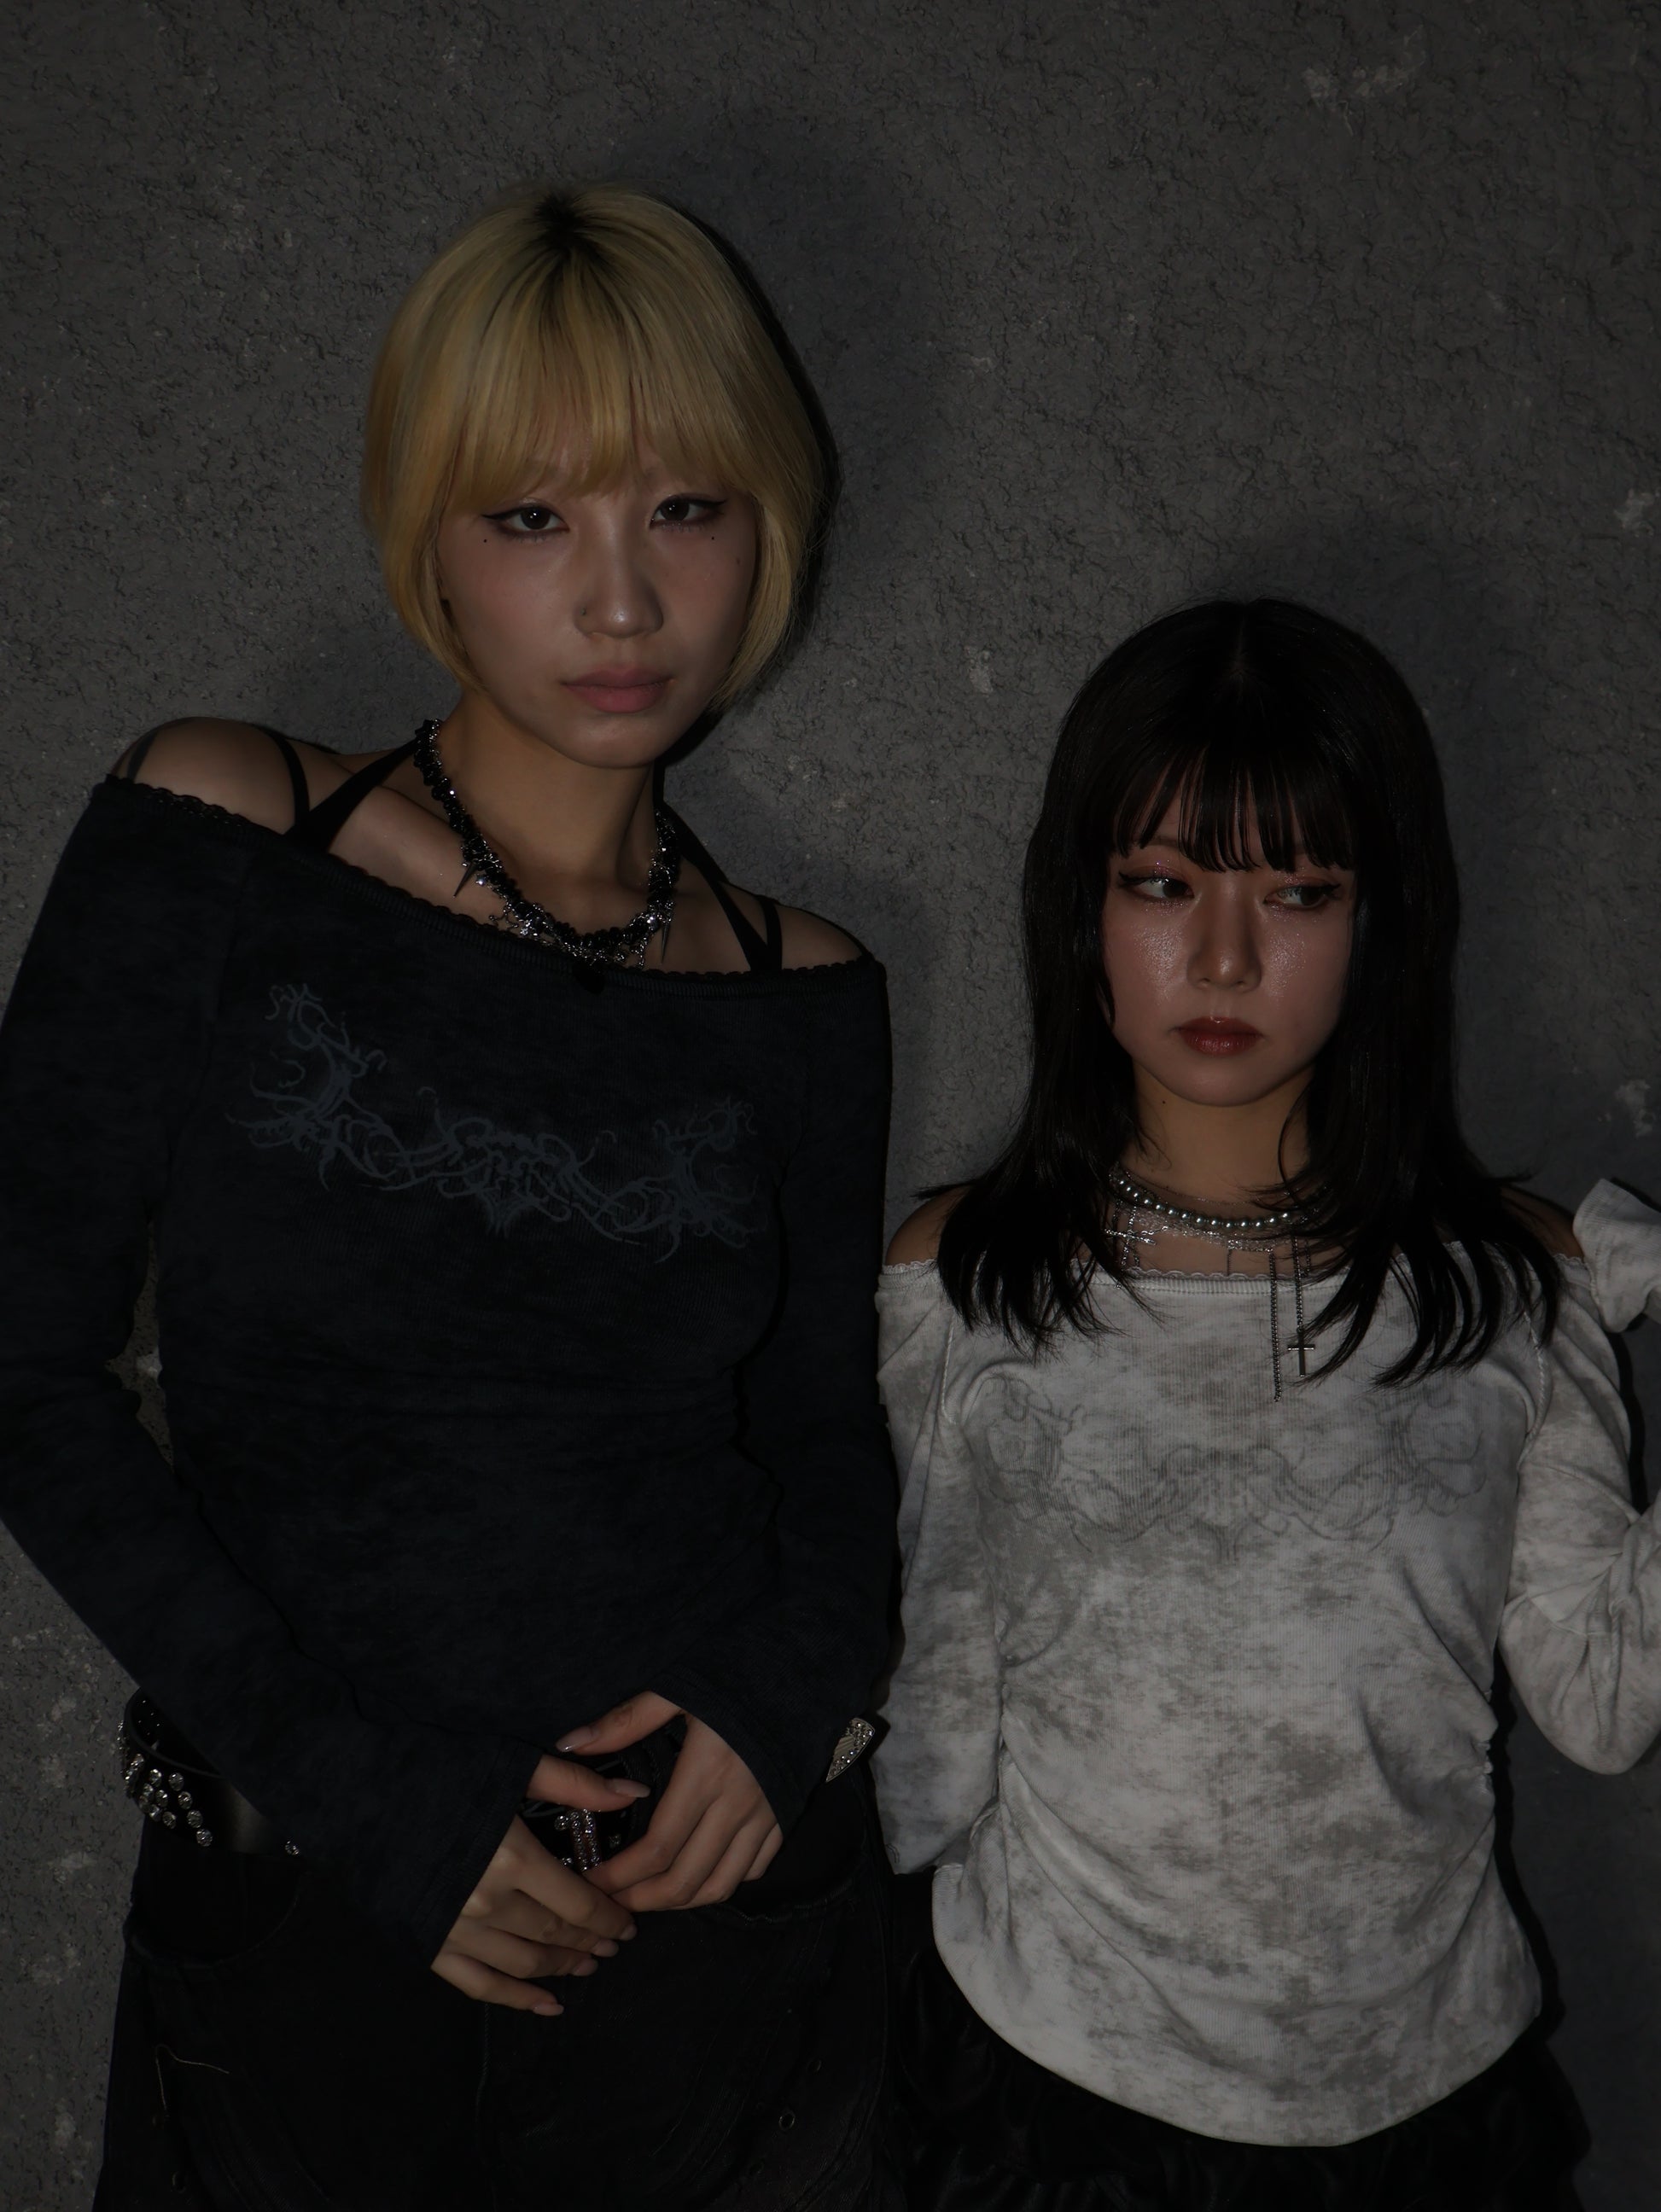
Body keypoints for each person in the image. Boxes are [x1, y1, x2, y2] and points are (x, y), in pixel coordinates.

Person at [0, 183, 897, 2210]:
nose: (621, 603)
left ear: (767, 523)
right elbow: (22, 1372)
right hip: (306, 1925)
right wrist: (360, 1796)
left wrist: (785, 1700)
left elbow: (821, 1435)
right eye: (533, 517)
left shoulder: (808, 986)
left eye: (684, 508)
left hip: (720, 1946)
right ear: (427, 533)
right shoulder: (222, 826)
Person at [872, 598, 1661, 2210]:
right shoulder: (965, 1275)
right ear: (1081, 905)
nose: (1222, 958)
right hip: (1055, 2086)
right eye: (1162, 884)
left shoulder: (1517, 1278)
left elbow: (1598, 1700)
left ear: (1380, 919)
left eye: (1296, 892)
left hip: (1427, 2096)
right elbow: (929, 1714)